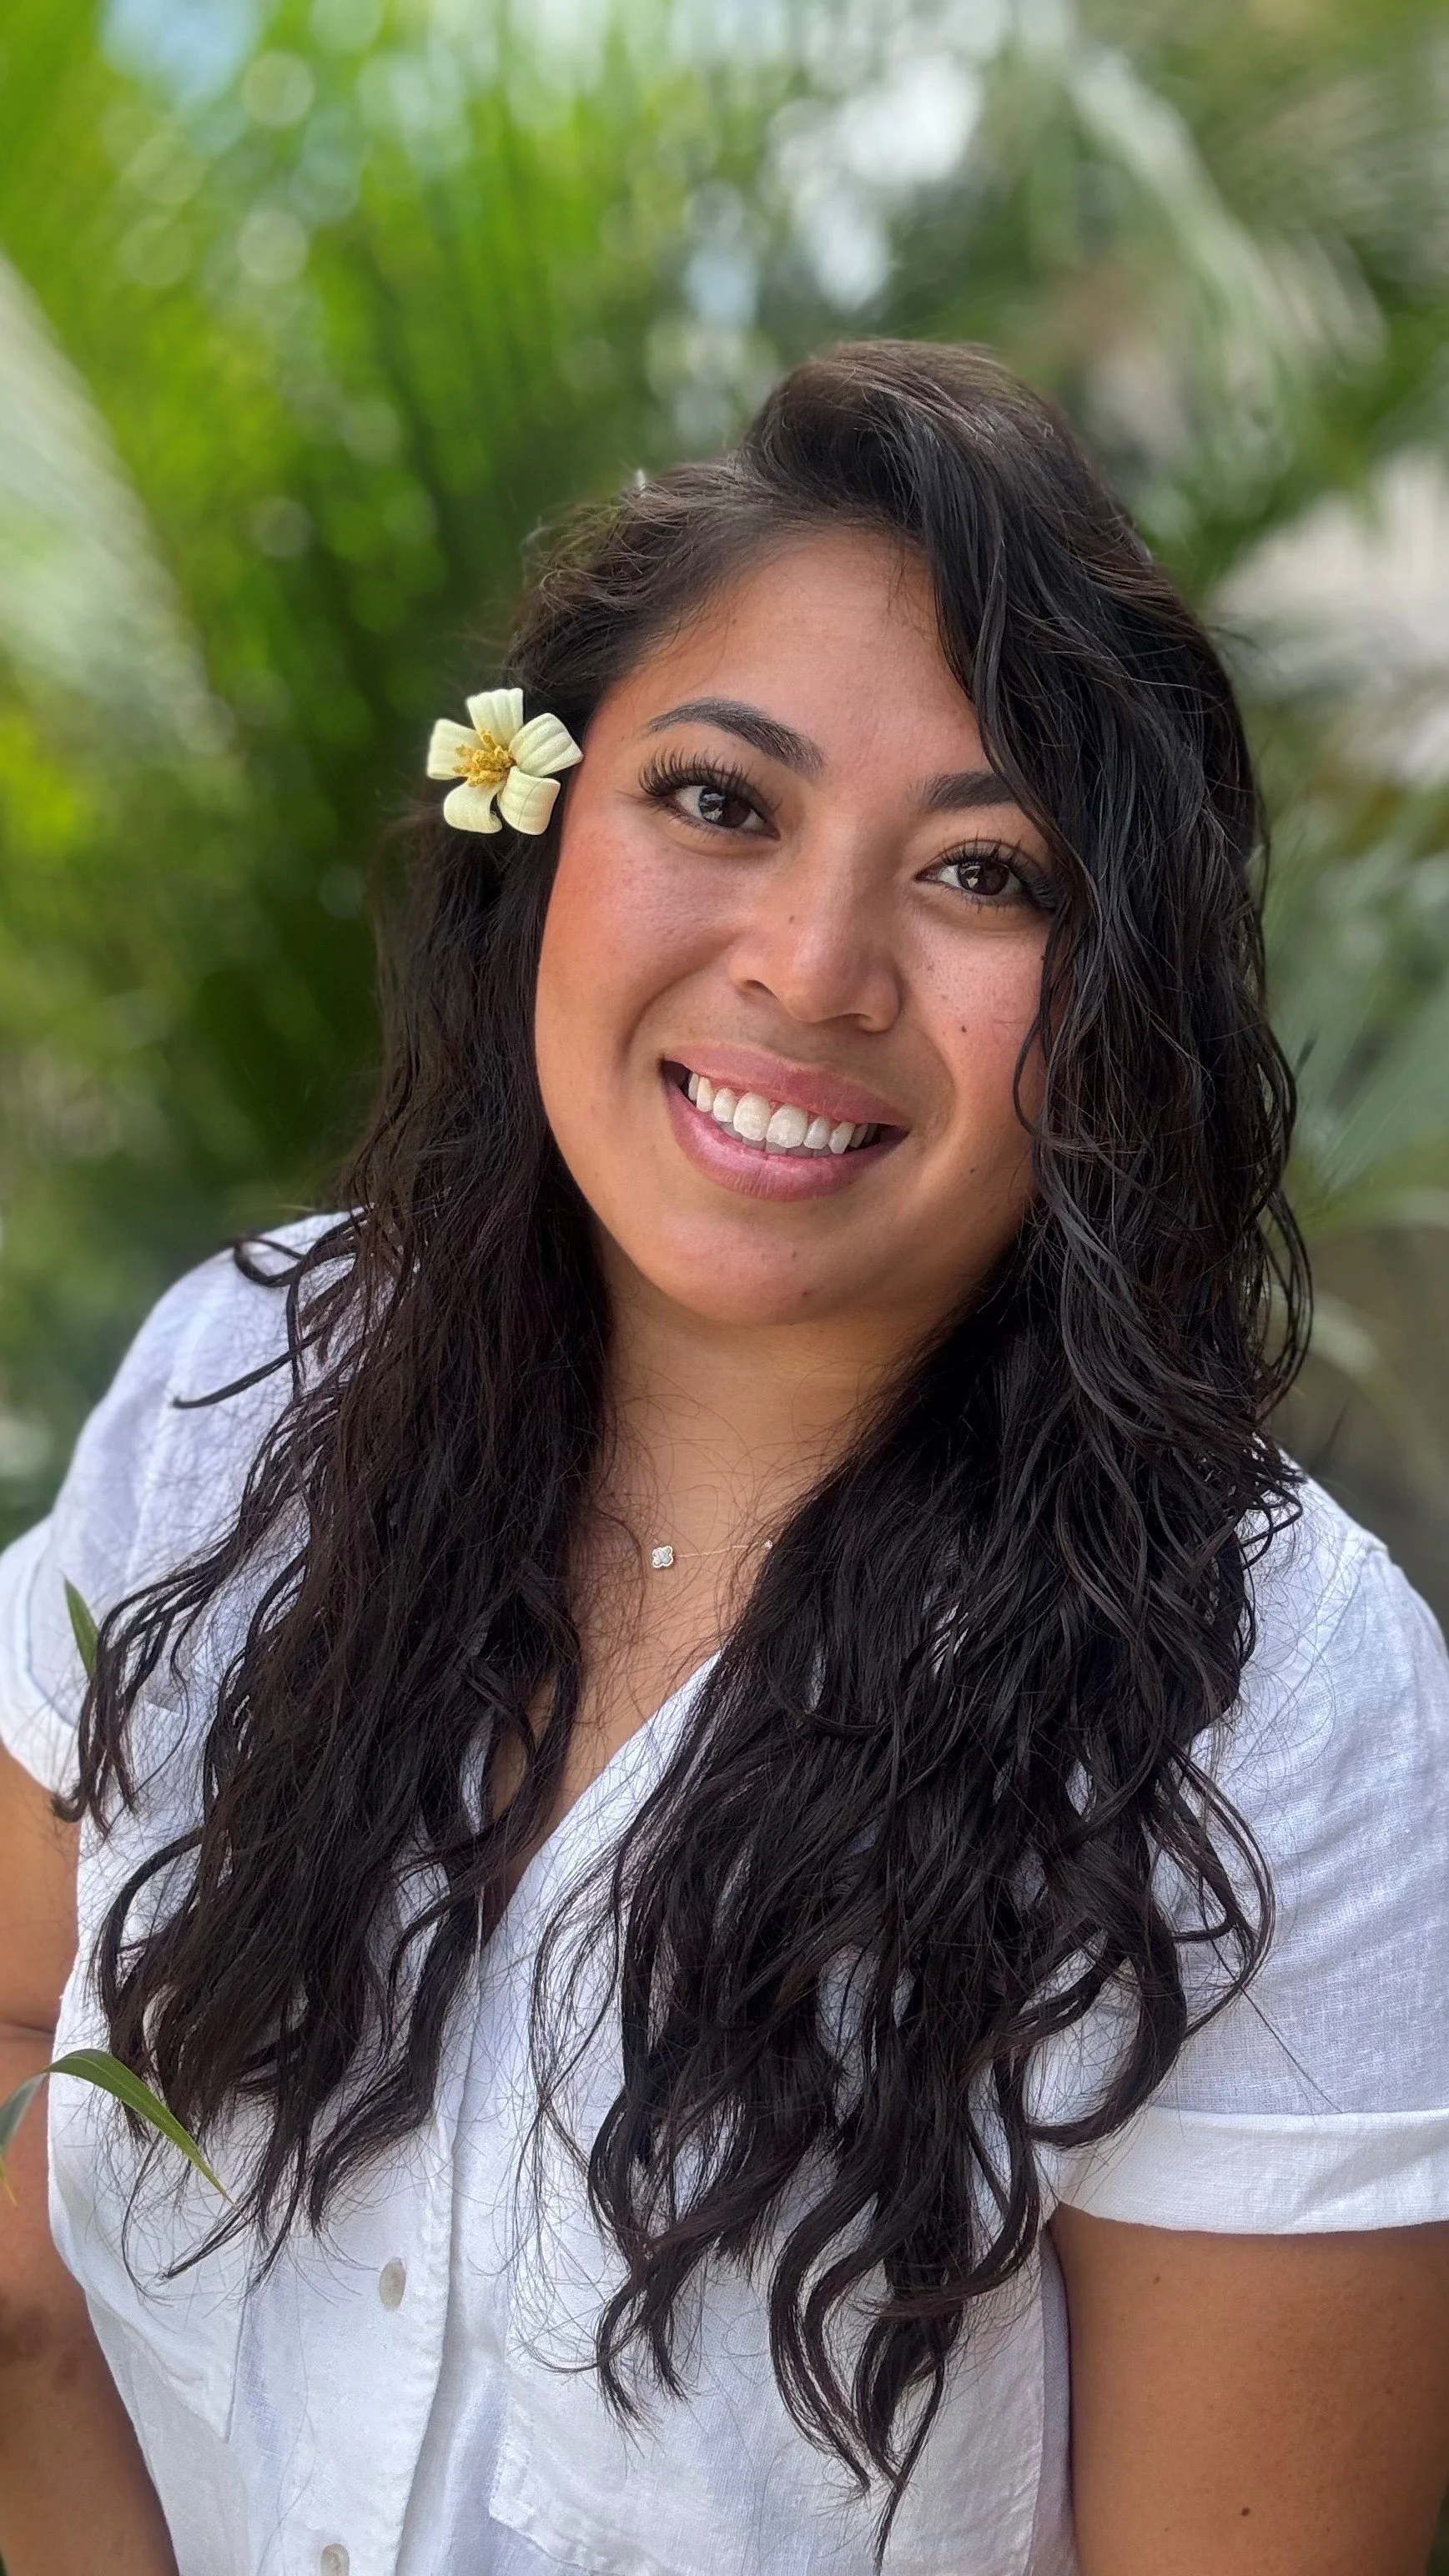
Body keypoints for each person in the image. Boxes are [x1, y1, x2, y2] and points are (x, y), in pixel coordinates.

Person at [2, 340, 1449, 2576]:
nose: (812, 963)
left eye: (984, 871)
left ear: (1111, 1006)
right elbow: (21, 2021)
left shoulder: (1280, 1707)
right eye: (721, 801)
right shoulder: (232, 1404)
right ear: (539, 828)